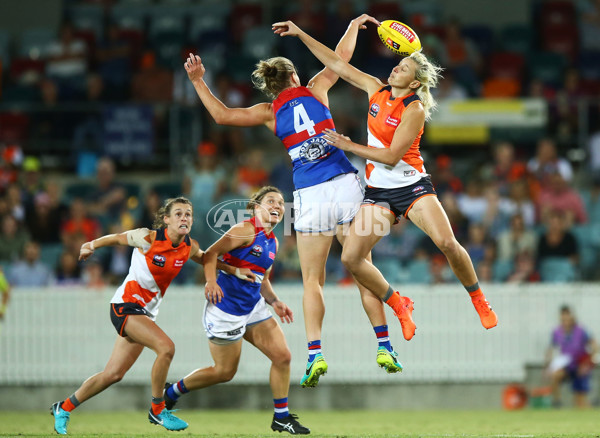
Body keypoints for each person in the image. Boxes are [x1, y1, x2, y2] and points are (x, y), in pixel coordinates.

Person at [184, 14, 403, 389]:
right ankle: (384, 345)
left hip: (311, 195)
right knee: (360, 264)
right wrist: (353, 26)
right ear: (295, 78)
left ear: (271, 86)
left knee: (312, 281)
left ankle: (315, 352)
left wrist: (198, 81)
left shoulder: (269, 113)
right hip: (344, 182)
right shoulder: (316, 88)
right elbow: (340, 58)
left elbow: (221, 116)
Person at [273, 19, 498, 336]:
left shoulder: (414, 108)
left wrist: (349, 145)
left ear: (415, 83)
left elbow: (392, 156)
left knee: (447, 242)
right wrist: (300, 34)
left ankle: (478, 299)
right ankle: (399, 305)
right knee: (351, 258)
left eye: (404, 69)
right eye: (398, 64)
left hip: (412, 187)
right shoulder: (374, 87)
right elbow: (336, 62)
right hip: (378, 193)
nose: (395, 69)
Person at [49, 197, 254, 434]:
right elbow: (116, 238)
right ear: (166, 219)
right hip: (124, 306)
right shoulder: (148, 237)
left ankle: (62, 408)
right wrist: (91, 244)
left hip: (144, 314)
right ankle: (157, 409)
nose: (184, 218)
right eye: (178, 214)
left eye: (188, 214)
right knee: (166, 348)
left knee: (113, 374)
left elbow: (207, 258)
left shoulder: (189, 246)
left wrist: (234, 269)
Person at [163, 186, 310, 435]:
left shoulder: (272, 241)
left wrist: (274, 301)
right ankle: (171, 392)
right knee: (224, 372)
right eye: (270, 201)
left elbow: (262, 279)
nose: (277, 206)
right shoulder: (245, 230)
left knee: (282, 357)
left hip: (253, 307)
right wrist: (210, 281)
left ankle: (281, 417)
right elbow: (210, 254)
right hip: (226, 311)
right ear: (255, 207)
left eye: (281, 203)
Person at [545, 305, 598, 408]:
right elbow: (550, 348)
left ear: (572, 318)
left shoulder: (581, 331)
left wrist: (587, 363)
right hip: (567, 366)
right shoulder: (557, 332)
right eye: (563, 319)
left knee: (579, 401)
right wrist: (548, 365)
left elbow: (595, 347)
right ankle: (557, 402)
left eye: (567, 318)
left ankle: (590, 408)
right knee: (555, 375)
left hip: (580, 366)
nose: (565, 322)